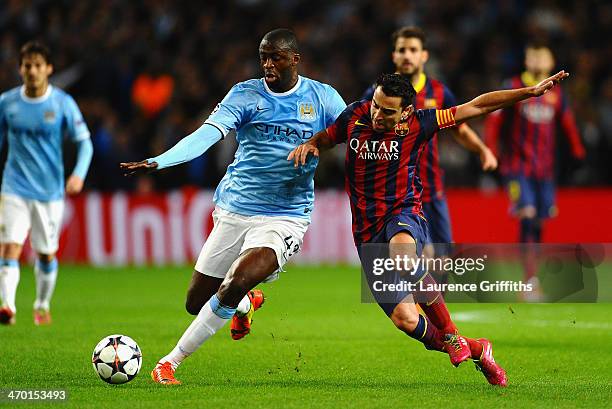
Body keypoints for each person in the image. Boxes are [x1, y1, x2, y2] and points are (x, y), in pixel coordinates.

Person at [289, 71, 570, 386]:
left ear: (406, 111)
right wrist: (312, 144)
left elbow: (476, 107)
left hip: (403, 212)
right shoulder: (356, 113)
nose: (378, 115)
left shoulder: (420, 123)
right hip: (366, 231)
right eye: (377, 106)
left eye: (387, 111)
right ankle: (477, 348)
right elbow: (327, 137)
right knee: (406, 320)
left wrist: (528, 92)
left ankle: (451, 334)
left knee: (404, 258)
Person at [120, 28, 346, 385]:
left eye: (277, 57)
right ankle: (245, 303)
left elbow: (355, 131)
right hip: (235, 208)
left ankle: (169, 362)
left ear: (295, 59)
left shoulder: (323, 98)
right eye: (264, 57)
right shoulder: (245, 95)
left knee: (236, 280)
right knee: (197, 303)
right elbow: (206, 135)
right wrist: (159, 161)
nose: (269, 64)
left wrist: (329, 144)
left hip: (286, 216)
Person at [364, 27, 497, 265]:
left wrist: (482, 150)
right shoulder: (378, 94)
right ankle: (408, 303)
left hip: (431, 188)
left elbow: (460, 128)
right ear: (393, 56)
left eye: (413, 50)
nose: (407, 55)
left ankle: (434, 303)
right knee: (409, 261)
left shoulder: (439, 91)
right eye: (401, 50)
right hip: (396, 194)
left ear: (424, 55)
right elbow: (359, 130)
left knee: (443, 260)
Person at [0, 41, 93, 326]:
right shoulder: (7, 103)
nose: (32, 71)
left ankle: (41, 304)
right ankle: (8, 305)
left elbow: (85, 143)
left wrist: (78, 173)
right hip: (13, 186)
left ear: (49, 69)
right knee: (9, 247)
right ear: (20, 69)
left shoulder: (62, 103)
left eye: (38, 65)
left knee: (46, 253)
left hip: (50, 191)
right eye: (27, 65)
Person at [485, 43, 585, 295]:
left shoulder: (557, 93)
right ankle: (529, 280)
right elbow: (494, 117)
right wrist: (489, 149)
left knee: (539, 221)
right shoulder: (514, 85)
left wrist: (577, 150)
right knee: (527, 214)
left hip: (545, 171)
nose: (539, 60)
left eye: (543, 56)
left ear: (551, 62)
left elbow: (567, 122)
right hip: (518, 168)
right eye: (534, 55)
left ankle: (532, 276)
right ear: (526, 60)